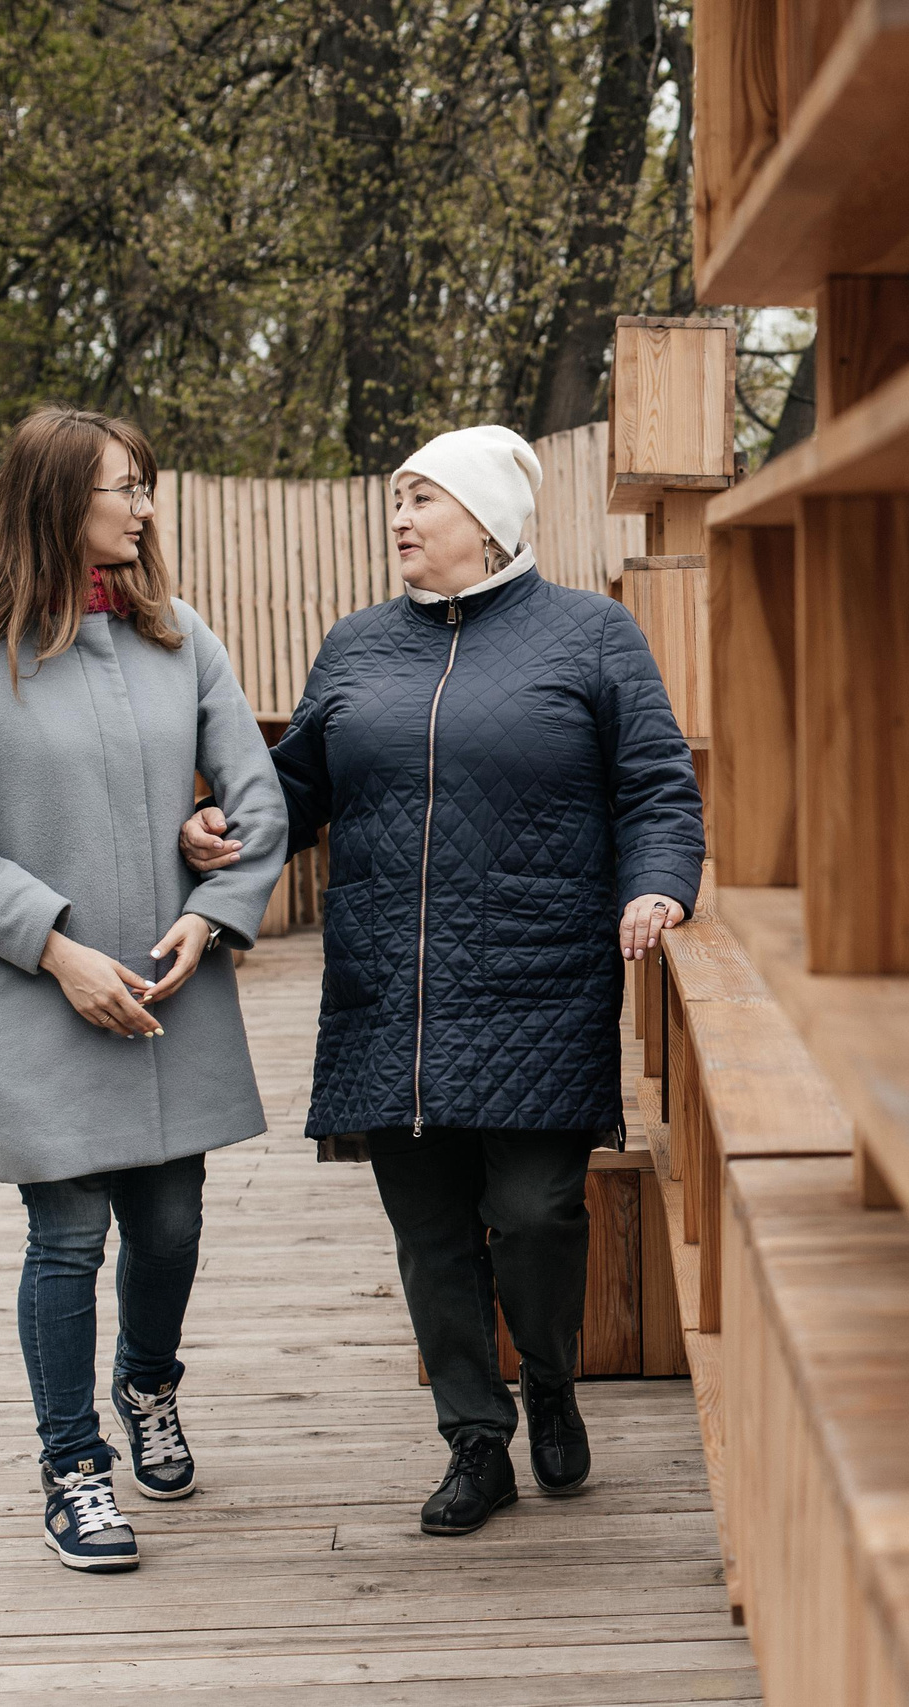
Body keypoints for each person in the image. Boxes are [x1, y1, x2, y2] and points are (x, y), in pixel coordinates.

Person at [181, 424, 703, 1536]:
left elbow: (656, 786)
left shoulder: (592, 637)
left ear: (488, 519)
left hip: (538, 976)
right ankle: (477, 1440)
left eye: (423, 499)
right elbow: (296, 790)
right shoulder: (357, 647)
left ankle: (552, 1377)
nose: (401, 519)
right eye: (397, 500)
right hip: (390, 987)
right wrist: (226, 823)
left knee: (533, 1213)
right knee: (427, 1233)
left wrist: (659, 887)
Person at [0, 407, 288, 1573]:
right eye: (125, 487)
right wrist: (59, 949)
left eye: (147, 486)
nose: (144, 506)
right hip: (39, 996)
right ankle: (72, 1468)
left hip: (173, 994)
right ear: (56, 498)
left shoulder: (184, 638)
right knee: (67, 1235)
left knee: (170, 1225)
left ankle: (148, 1386)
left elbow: (256, 802)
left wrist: (208, 907)